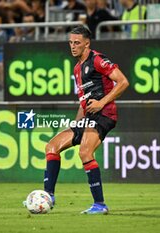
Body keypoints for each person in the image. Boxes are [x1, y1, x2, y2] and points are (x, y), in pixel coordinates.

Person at [43, 26, 129, 214]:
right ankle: (47, 197)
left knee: (85, 151)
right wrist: (75, 125)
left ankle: (100, 205)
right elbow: (83, 103)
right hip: (88, 117)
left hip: (105, 114)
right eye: (71, 43)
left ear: (87, 43)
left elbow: (123, 82)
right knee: (52, 146)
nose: (73, 46)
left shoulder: (98, 60)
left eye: (77, 43)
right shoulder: (77, 69)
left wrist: (102, 102)